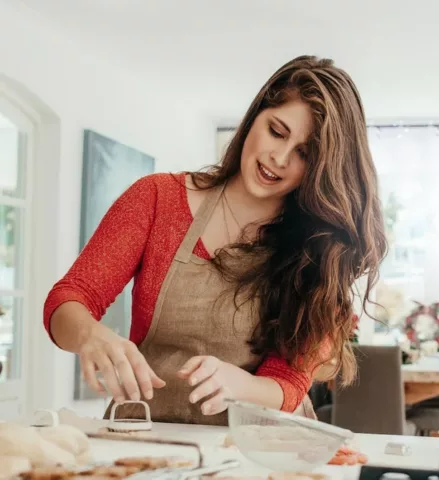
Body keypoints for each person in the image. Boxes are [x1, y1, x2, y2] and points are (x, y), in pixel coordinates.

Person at [43, 55, 387, 425]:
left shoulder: (318, 249)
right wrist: (90, 336)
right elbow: (70, 297)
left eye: (304, 153)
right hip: (146, 434)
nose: (279, 157)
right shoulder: (157, 199)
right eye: (277, 131)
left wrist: (240, 384)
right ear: (255, 116)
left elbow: (290, 383)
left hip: (260, 449)